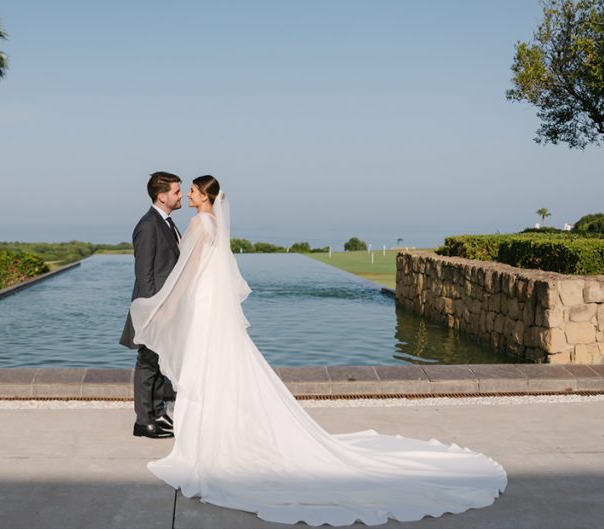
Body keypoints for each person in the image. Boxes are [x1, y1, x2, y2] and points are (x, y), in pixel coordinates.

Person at [130, 175, 507, 526]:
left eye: (191, 190)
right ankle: (210, 426)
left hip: (202, 302)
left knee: (205, 366)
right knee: (218, 365)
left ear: (205, 196)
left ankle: (206, 437)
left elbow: (190, 271)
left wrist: (165, 304)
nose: (187, 195)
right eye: (183, 191)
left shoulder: (199, 224)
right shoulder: (210, 225)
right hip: (212, 304)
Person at [120, 171, 182, 439]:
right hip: (153, 308)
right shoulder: (148, 225)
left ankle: (156, 414)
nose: (180, 195)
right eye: (177, 191)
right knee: (147, 362)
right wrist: (153, 309)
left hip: (166, 306)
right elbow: (144, 273)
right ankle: (143, 421)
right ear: (162, 195)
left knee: (157, 362)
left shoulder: (166, 223)